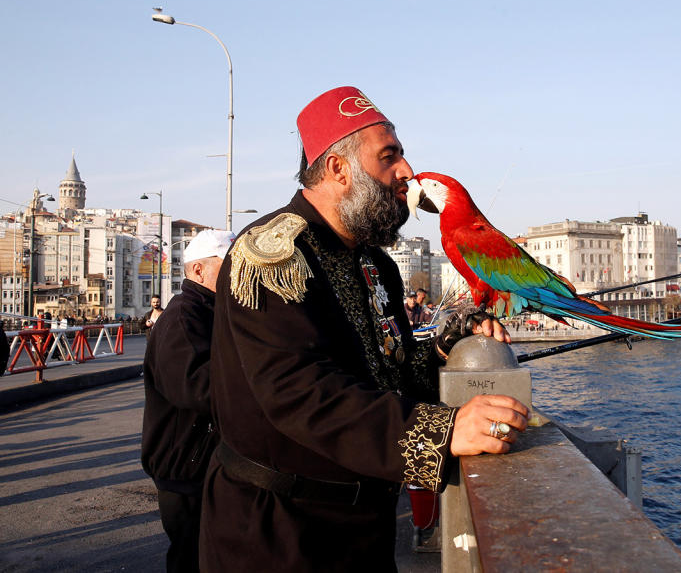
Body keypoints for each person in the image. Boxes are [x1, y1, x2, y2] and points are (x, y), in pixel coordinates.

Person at [200, 86, 528, 571]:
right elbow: (300, 395)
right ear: (339, 169)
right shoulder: (272, 255)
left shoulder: (375, 262)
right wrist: (442, 433)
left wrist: (444, 347)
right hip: (279, 535)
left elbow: (383, 375)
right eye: (389, 156)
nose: (407, 172)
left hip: (363, 527)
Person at [141, 229, 235, 573]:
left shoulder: (213, 310)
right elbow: (195, 386)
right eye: (229, 267)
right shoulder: (183, 316)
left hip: (204, 463)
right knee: (192, 557)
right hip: (187, 466)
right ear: (199, 271)